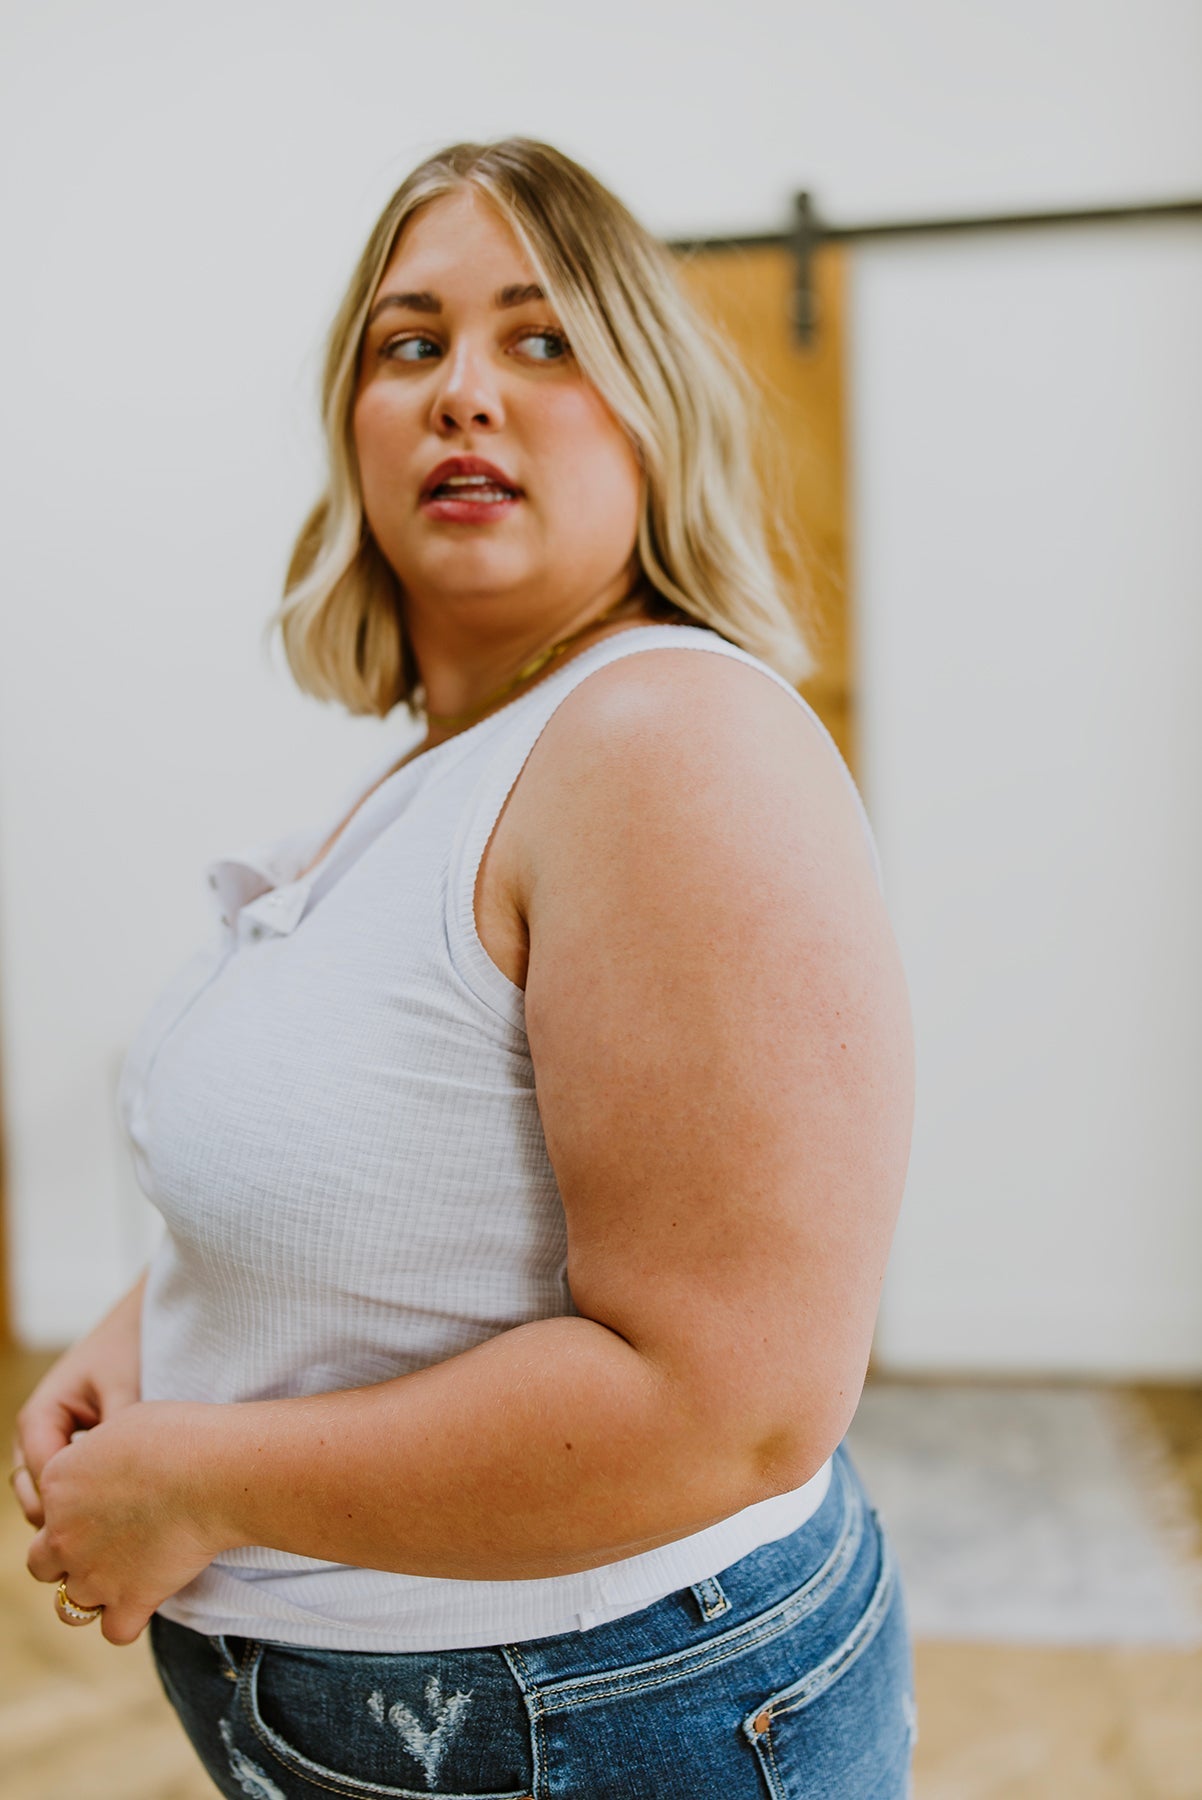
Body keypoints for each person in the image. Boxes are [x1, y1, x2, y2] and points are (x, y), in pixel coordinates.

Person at [10, 138, 917, 1798]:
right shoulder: (451, 764)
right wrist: (159, 1334)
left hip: (607, 1726)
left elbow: (730, 1406)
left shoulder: (662, 745)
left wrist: (194, 1487)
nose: (463, 394)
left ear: (650, 413)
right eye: (410, 343)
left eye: (543, 338)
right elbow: (405, 1176)